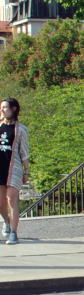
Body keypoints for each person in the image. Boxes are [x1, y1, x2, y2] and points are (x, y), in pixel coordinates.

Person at [0, 98, 31, 244]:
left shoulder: (21, 129)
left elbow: (24, 152)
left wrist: (26, 172)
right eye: (1, 108)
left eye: (5, 107)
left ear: (13, 109)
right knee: (1, 202)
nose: (2, 110)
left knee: (11, 200)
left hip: (14, 168)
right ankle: (7, 221)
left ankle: (13, 232)